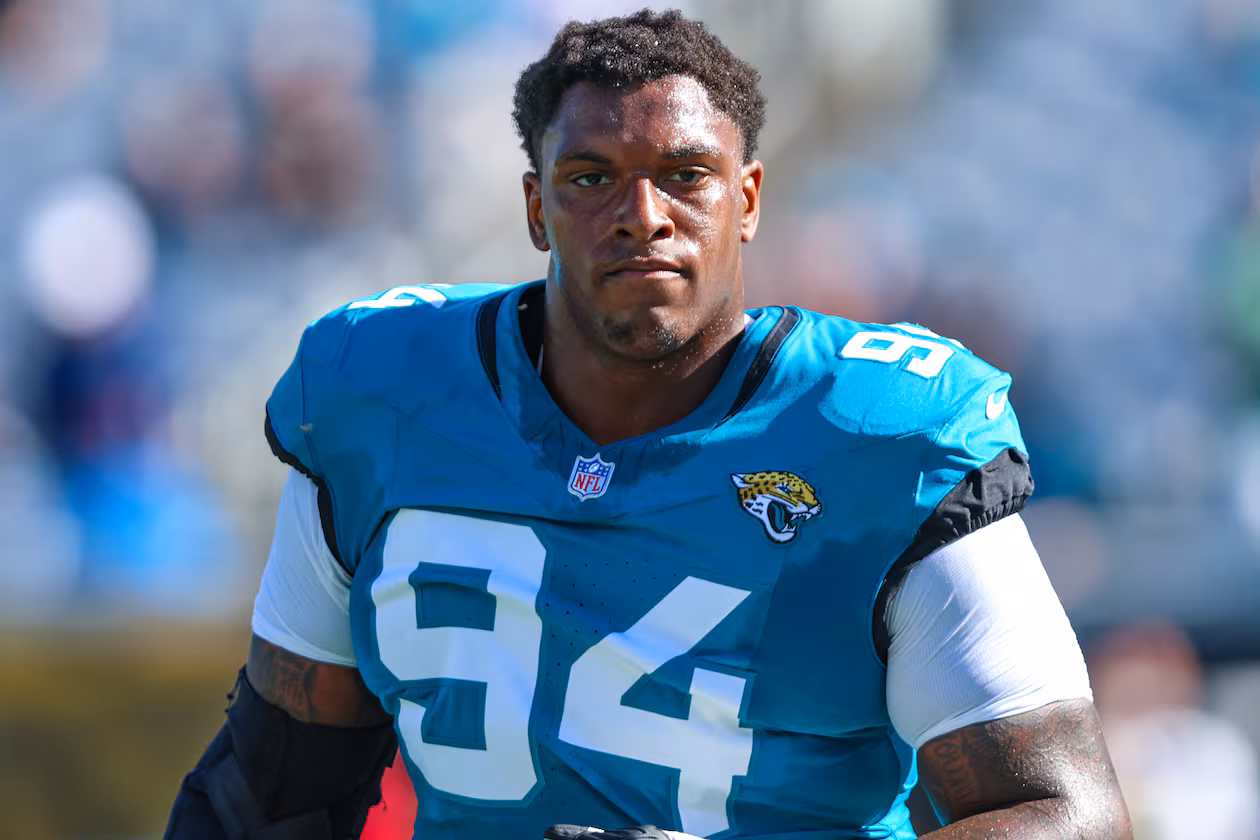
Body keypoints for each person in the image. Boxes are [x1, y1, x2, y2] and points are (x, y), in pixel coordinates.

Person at [163, 9, 1132, 839]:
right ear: (535, 209)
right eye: (591, 178)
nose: (642, 214)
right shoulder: (379, 394)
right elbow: (276, 787)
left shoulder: (882, 438)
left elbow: (1067, 813)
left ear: (746, 201)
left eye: (683, 174)